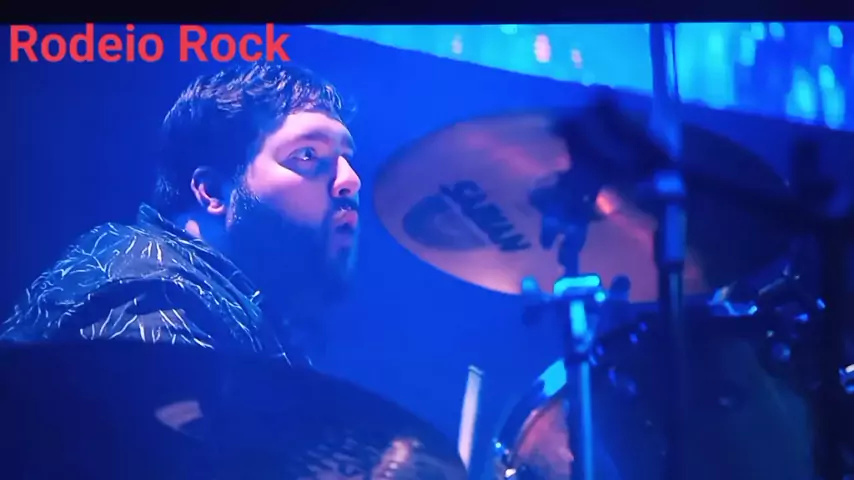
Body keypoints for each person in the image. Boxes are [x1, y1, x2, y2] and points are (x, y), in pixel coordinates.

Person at [0, 61, 361, 365]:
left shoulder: (217, 300)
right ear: (212, 191)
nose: (350, 180)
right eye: (308, 155)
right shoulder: (154, 297)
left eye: (347, 158)